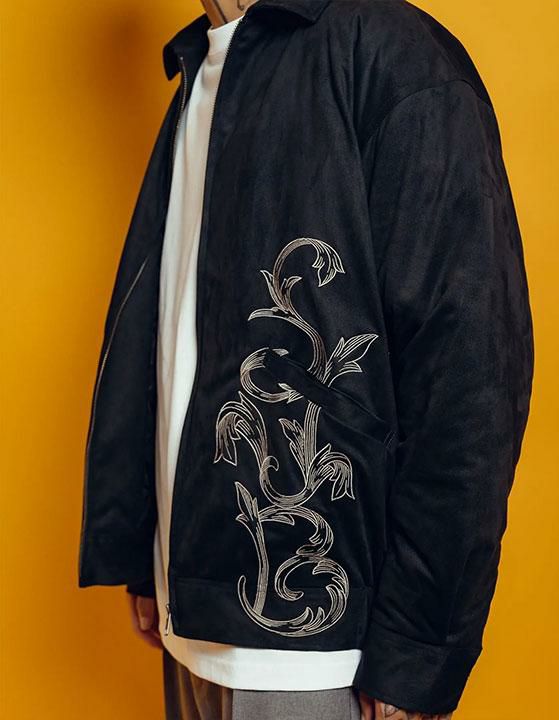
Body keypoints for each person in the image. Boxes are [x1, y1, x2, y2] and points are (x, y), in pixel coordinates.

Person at [78, 1, 535, 719]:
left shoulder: (392, 55)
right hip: (192, 619)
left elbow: (471, 367)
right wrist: (150, 551)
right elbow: (173, 327)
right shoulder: (205, 69)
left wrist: (419, 645)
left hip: (323, 649)